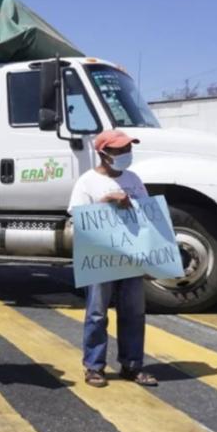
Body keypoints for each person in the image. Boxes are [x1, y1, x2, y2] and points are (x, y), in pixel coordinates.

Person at [68, 129, 158, 388]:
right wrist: (104, 202)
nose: (125, 154)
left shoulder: (133, 178)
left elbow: (150, 215)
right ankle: (94, 367)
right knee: (97, 313)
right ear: (103, 153)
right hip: (101, 258)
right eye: (119, 150)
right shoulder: (87, 182)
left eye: (127, 149)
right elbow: (79, 219)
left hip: (129, 256)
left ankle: (132, 365)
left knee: (133, 312)